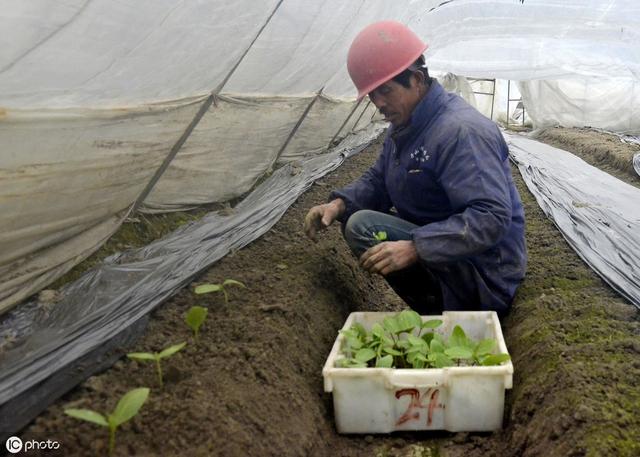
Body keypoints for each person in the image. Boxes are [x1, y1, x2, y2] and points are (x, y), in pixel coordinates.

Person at [303, 21, 527, 315]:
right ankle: (440, 302)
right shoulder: (405, 124)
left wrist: (416, 247)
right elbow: (380, 180)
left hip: (484, 273)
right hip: (448, 249)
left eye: (385, 91)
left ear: (417, 79)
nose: (378, 103)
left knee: (364, 228)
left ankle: (450, 310)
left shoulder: (460, 132)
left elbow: (491, 217)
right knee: (356, 220)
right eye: (372, 95)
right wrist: (339, 204)